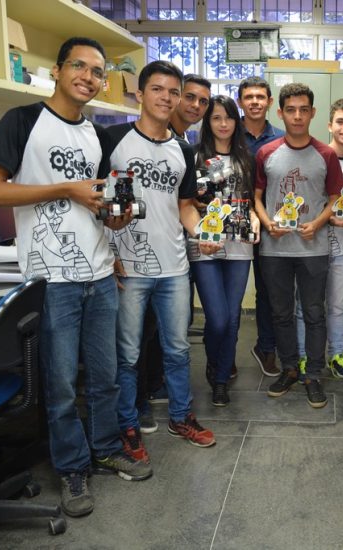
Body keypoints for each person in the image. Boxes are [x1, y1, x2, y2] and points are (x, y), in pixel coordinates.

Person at [0, 37, 151, 519]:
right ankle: (73, 468)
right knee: (58, 384)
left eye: (97, 71)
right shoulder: (22, 121)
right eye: (79, 66)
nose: (89, 77)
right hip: (50, 279)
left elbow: (96, 202)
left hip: (98, 271)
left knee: (104, 376)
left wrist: (114, 218)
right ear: (57, 70)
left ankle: (105, 448)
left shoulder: (96, 135)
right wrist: (67, 189)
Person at [105, 60, 217, 464]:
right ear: (140, 93)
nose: (166, 98)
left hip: (174, 267)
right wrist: (107, 252)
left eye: (173, 92)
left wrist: (202, 233)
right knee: (128, 355)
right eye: (157, 89)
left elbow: (184, 206)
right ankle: (127, 425)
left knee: (178, 350)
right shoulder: (112, 139)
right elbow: (96, 200)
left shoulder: (183, 149)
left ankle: (181, 417)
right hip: (129, 268)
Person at [253, 83, 343, 409]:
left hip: (313, 248)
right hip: (274, 248)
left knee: (314, 312)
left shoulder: (326, 155)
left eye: (303, 110)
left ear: (312, 113)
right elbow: (256, 197)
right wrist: (267, 222)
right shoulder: (266, 153)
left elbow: (336, 198)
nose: (297, 116)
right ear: (280, 113)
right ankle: (290, 368)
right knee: (281, 313)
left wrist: (317, 223)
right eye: (290, 110)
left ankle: (313, 374)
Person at [191, 95, 259, 406]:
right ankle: (214, 359)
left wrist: (254, 218)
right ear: (208, 122)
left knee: (232, 319)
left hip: (239, 246)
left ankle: (220, 379)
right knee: (217, 319)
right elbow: (186, 202)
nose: (223, 124)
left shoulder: (246, 158)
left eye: (228, 117)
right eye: (216, 118)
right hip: (205, 244)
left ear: (236, 121)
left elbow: (251, 200)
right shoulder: (195, 156)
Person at [295, 98, 343, 379]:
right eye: (340, 122)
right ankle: (304, 356)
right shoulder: (317, 156)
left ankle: (337, 353)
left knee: (338, 305)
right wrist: (327, 218)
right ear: (329, 125)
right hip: (313, 246)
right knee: (306, 306)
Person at [237, 76, 285, 378]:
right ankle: (224, 357)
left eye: (260, 97)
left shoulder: (281, 138)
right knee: (231, 292)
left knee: (269, 290)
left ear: (269, 102)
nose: (254, 102)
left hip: (270, 225)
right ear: (240, 101)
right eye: (248, 97)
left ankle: (266, 347)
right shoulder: (229, 134)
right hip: (233, 224)